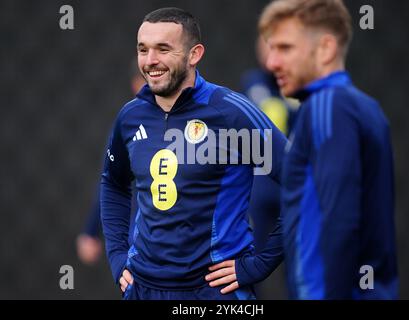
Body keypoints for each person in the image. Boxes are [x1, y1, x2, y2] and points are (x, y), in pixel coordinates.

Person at [100, 7, 287, 300]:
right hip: (143, 289)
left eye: (163, 49)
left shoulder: (230, 113)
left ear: (194, 54)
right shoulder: (130, 116)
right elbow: (112, 183)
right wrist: (116, 256)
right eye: (143, 49)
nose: (150, 61)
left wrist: (259, 265)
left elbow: (303, 181)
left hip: (213, 293)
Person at [258, 0, 398, 299]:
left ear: (325, 48)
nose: (272, 62)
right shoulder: (365, 107)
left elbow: (336, 219)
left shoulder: (326, 106)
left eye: (285, 48)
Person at [241, 36, 299, 299]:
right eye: (266, 43)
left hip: (295, 189)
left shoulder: (304, 85)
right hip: (261, 190)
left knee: (299, 269)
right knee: (253, 263)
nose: (271, 52)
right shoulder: (252, 83)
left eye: (280, 44)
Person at [76, 62, 145, 266]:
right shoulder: (127, 125)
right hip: (142, 246)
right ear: (135, 84)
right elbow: (110, 183)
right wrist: (90, 230)